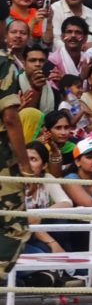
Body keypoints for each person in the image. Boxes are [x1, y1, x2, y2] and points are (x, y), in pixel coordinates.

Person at [0, 51, 31, 285]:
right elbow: (10, 117)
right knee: (15, 226)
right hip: (2, 165)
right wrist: (25, 164)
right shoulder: (3, 63)